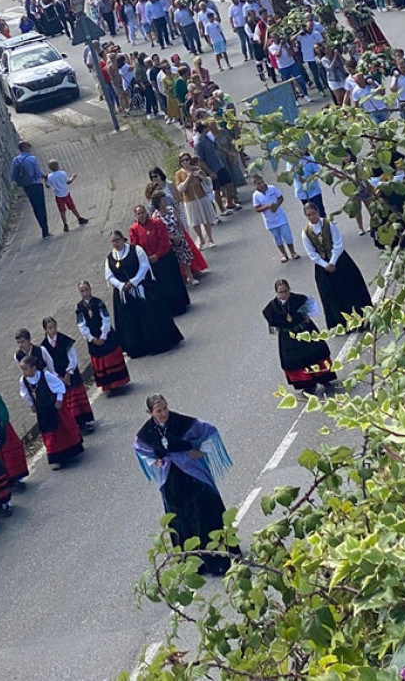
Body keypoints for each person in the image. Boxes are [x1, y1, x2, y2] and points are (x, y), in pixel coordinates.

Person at [133, 395, 235, 574]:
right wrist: (154, 461)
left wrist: (202, 451)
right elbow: (140, 448)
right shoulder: (147, 432)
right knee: (180, 517)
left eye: (165, 408)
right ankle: (193, 562)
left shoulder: (183, 422)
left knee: (203, 511)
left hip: (192, 473)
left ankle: (217, 558)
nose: (164, 413)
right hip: (171, 479)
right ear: (150, 412)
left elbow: (208, 431)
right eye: (159, 411)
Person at [104, 230, 183, 358]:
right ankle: (138, 348)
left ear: (123, 239)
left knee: (151, 315)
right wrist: (121, 285)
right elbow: (109, 275)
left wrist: (133, 282)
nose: (115, 243)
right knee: (130, 321)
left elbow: (144, 266)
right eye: (113, 241)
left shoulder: (136, 250)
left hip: (142, 288)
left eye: (117, 240)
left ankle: (158, 343)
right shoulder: (110, 258)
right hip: (124, 292)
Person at [301, 204, 371, 328]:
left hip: (340, 261)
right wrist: (325, 264)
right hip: (323, 267)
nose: (312, 217)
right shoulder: (306, 233)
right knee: (332, 296)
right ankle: (342, 323)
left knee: (350, 290)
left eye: (313, 213)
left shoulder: (329, 224)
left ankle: (361, 318)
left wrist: (332, 262)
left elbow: (338, 244)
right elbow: (311, 253)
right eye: (309, 215)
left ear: (318, 212)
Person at [262, 279, 336, 397]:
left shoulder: (300, 299)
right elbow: (273, 324)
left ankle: (324, 378)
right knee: (296, 361)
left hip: (304, 331)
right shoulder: (270, 309)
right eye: (281, 292)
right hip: (288, 337)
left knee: (315, 354)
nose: (284, 294)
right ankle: (308, 385)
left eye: (286, 291)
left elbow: (309, 314)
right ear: (276, 293)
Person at [18, 354, 84, 468]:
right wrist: (31, 404)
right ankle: (57, 456)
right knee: (49, 433)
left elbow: (59, 386)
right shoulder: (23, 381)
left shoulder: (45, 375)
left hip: (53, 407)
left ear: (34, 368)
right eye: (22, 369)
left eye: (26, 368)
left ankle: (69, 451)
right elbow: (25, 394)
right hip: (42, 411)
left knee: (61, 429)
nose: (24, 372)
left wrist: (59, 400)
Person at [129, 204, 190, 316]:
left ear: (146, 213)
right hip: (149, 263)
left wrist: (157, 254)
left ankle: (180, 306)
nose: (141, 215)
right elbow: (135, 246)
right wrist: (147, 257)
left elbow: (164, 240)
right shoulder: (134, 229)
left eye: (142, 212)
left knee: (171, 282)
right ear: (135, 216)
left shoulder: (157, 223)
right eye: (138, 214)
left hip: (164, 258)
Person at [75, 280, 130, 394]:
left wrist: (103, 335)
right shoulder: (79, 307)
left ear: (90, 289)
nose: (85, 293)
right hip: (93, 336)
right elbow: (81, 325)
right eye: (82, 291)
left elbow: (105, 318)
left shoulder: (98, 302)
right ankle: (108, 385)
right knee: (100, 359)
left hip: (105, 334)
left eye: (86, 290)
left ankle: (118, 382)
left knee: (111, 356)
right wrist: (91, 338)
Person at [41, 317, 95, 433]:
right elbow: (46, 365)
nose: (53, 330)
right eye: (50, 328)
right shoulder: (44, 347)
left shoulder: (64, 339)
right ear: (45, 330)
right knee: (67, 401)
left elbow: (72, 357)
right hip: (57, 377)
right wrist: (57, 376)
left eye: (54, 326)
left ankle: (83, 422)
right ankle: (74, 425)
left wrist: (68, 373)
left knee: (76, 398)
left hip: (71, 375)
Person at [251, 173, 299, 263]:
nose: (261, 185)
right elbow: (257, 208)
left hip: (280, 216)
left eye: (261, 182)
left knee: (287, 235)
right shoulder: (256, 195)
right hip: (270, 220)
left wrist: (276, 206)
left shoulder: (272, 188)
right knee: (277, 237)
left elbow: (280, 198)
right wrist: (267, 207)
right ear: (255, 185)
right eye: (258, 184)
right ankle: (284, 254)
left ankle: (293, 252)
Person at [9, 140, 50, 238]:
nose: (30, 148)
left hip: (27, 186)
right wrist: (44, 176)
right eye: (28, 147)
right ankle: (45, 230)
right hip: (36, 184)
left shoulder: (15, 160)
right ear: (25, 148)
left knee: (35, 207)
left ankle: (42, 227)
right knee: (41, 206)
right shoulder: (32, 158)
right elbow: (38, 173)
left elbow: (12, 176)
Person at [175, 153, 216, 249]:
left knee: (206, 218)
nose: (185, 162)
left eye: (187, 159)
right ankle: (201, 239)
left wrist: (200, 176)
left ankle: (210, 239)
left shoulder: (196, 169)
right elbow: (180, 189)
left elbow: (207, 181)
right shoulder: (179, 174)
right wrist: (188, 177)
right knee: (195, 221)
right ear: (180, 163)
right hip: (189, 200)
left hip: (201, 196)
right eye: (183, 160)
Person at [44, 159, 89, 232]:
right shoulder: (62, 173)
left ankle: (65, 224)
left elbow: (48, 186)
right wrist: (73, 176)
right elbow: (68, 181)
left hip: (58, 195)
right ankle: (79, 218)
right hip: (66, 193)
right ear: (58, 166)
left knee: (62, 210)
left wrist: (45, 179)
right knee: (72, 207)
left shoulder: (50, 177)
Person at [292, 152, 326, 218]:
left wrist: (308, 179)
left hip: (314, 191)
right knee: (310, 214)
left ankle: (326, 227)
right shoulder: (291, 161)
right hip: (302, 192)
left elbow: (318, 172)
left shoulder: (309, 159)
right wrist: (294, 163)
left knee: (320, 212)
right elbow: (289, 174)